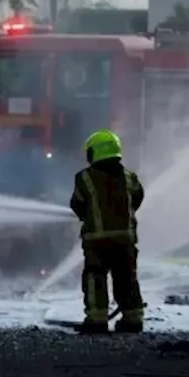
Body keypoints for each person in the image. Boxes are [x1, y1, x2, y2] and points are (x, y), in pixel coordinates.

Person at [69, 129, 146, 334]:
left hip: (97, 241)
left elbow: (77, 204)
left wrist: (89, 215)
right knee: (127, 278)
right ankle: (134, 318)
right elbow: (137, 199)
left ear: (94, 152)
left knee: (95, 277)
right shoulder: (130, 177)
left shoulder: (84, 178)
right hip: (125, 239)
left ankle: (97, 319)